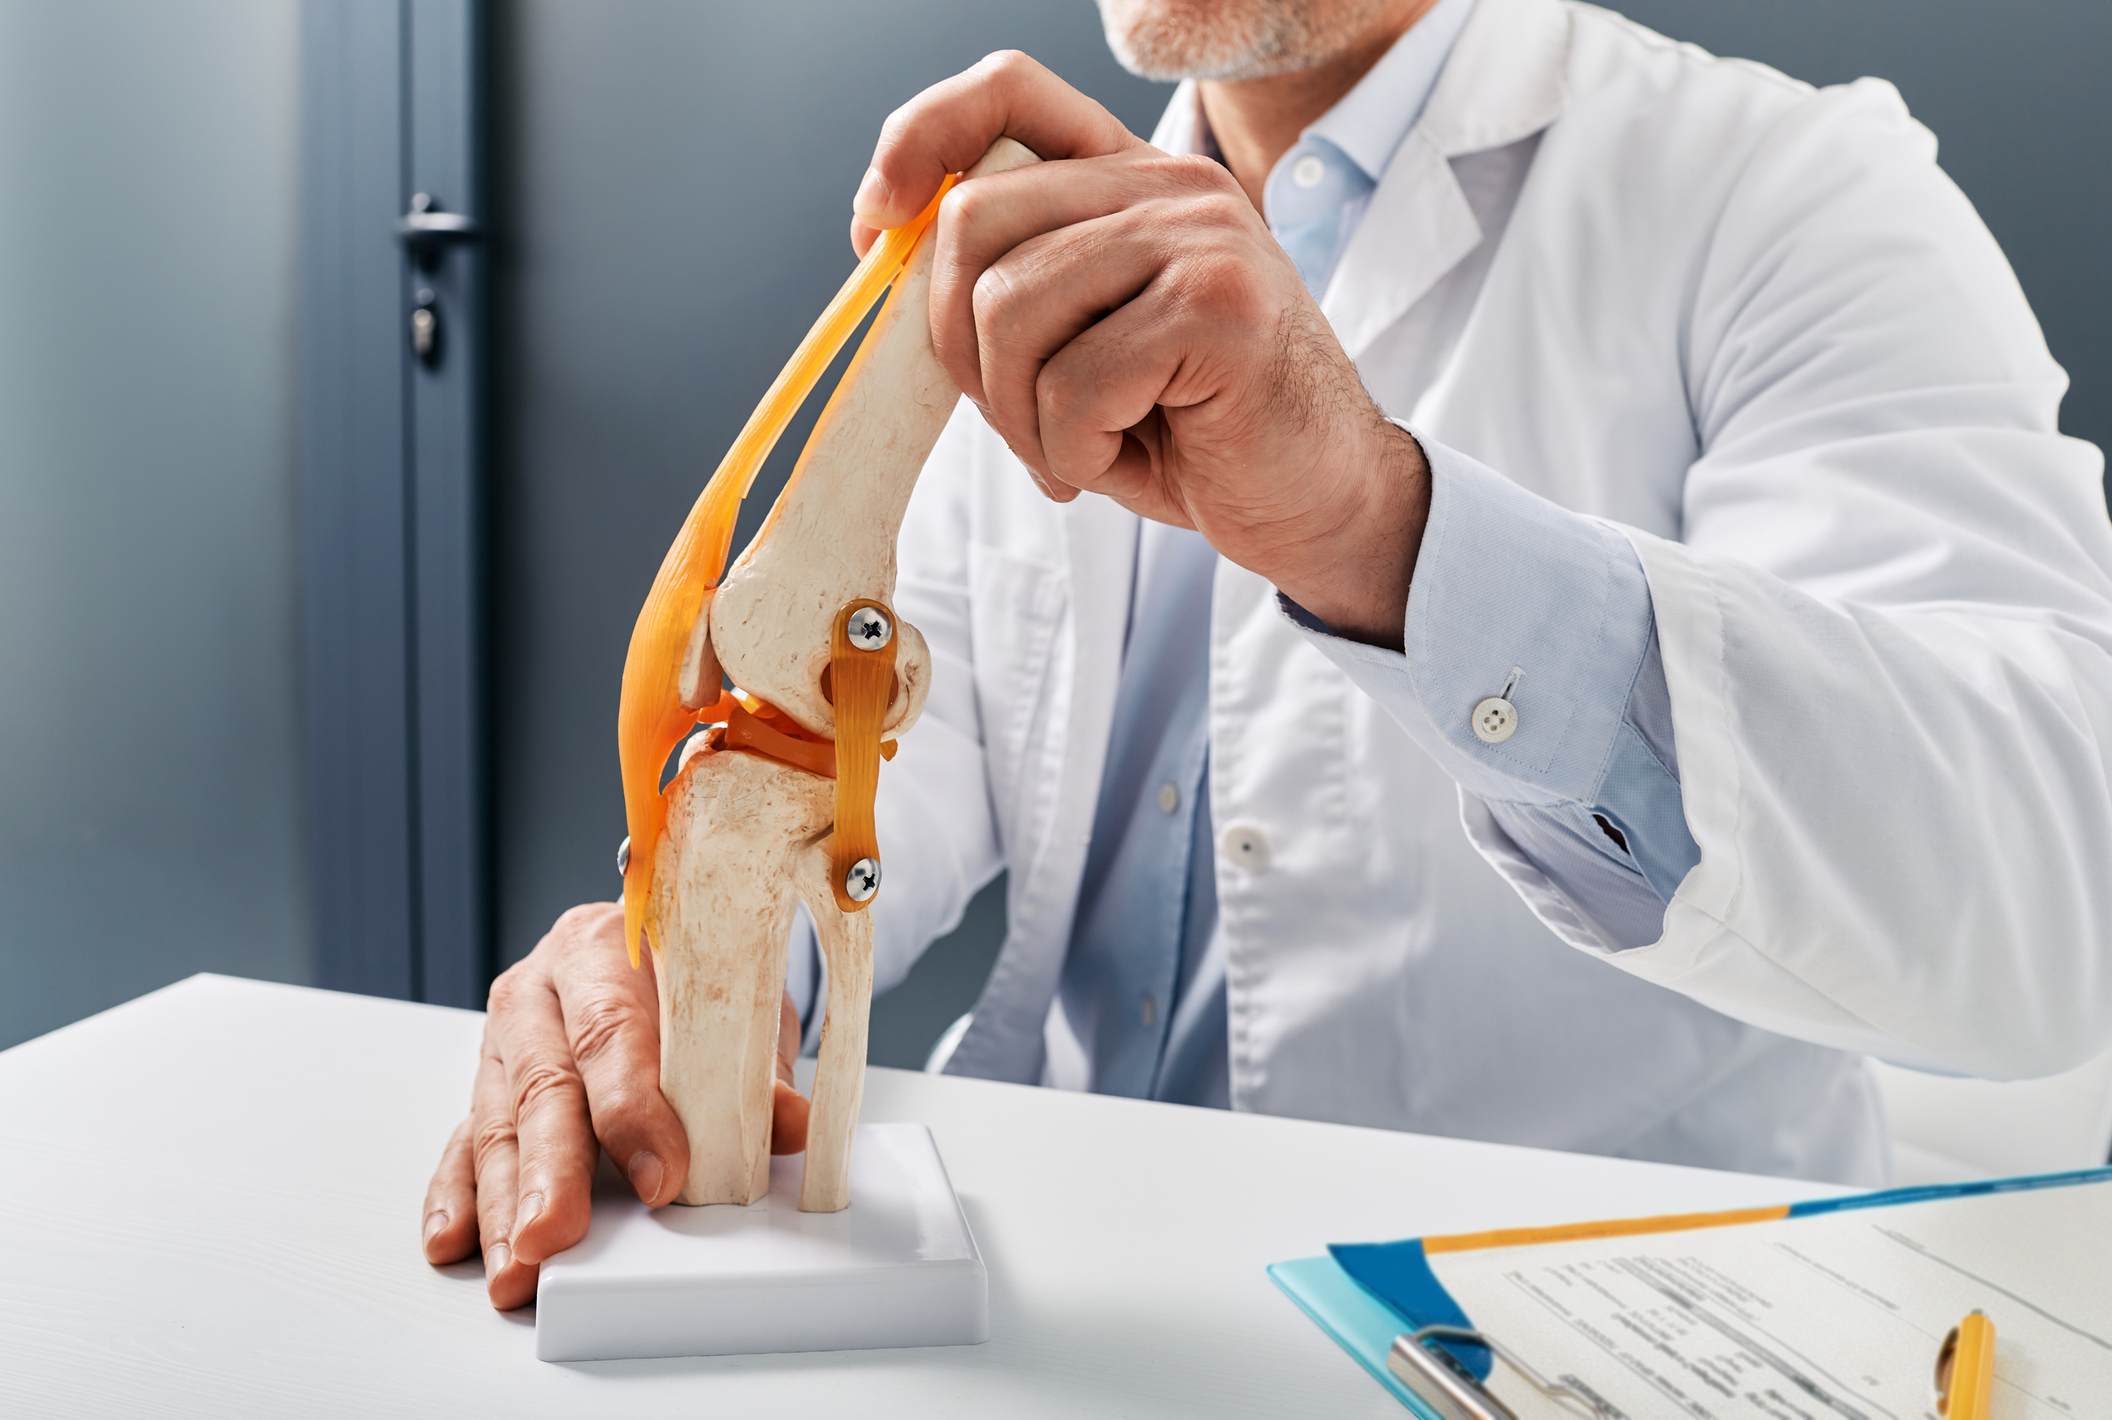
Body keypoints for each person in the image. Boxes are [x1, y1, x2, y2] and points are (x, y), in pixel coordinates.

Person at [424, 0, 2112, 1309]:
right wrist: (693, 969)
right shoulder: (1021, 251)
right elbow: (880, 755)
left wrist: (1387, 530)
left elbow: (2051, 890)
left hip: (1581, 1328)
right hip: (1079, 1314)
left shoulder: (1792, 193)